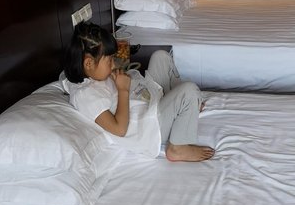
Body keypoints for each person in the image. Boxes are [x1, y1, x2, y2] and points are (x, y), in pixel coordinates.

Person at [63, 22, 215, 162]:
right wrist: (123, 89)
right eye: (109, 60)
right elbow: (119, 129)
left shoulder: (93, 75)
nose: (113, 64)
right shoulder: (85, 95)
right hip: (150, 126)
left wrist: (117, 75)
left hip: (149, 103)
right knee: (189, 90)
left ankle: (185, 107)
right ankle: (177, 148)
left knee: (161, 57)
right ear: (88, 63)